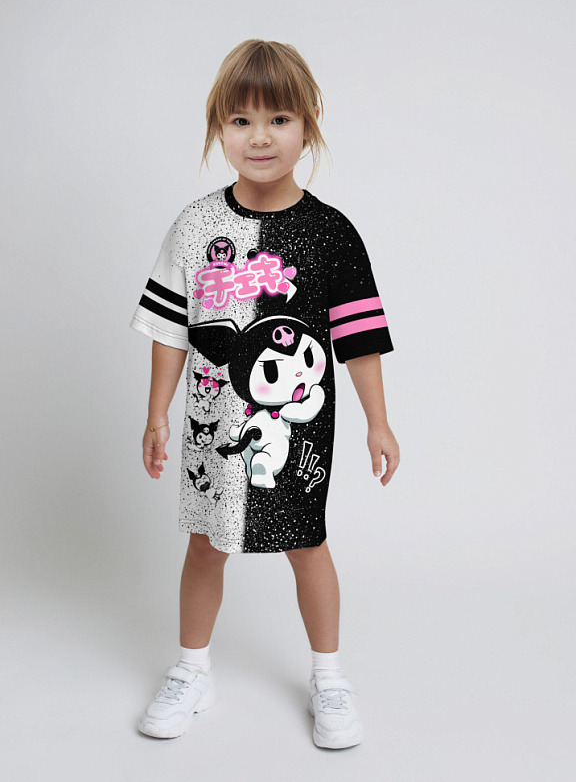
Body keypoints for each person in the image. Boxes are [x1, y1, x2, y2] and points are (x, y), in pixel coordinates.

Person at [130, 39, 400, 749]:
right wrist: (156, 413)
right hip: (212, 429)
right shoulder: (195, 227)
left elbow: (359, 338)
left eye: (279, 119)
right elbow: (170, 329)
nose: (260, 137)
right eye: (241, 120)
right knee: (204, 545)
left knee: (307, 545)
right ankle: (191, 670)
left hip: (298, 435)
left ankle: (329, 677)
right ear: (218, 129)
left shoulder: (331, 233)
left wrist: (378, 422)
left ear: (308, 126)